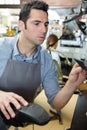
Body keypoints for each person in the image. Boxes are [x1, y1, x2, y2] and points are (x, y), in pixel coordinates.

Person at [0, 0, 87, 130]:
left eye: (46, 24)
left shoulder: (46, 60)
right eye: (37, 23)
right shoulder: (2, 47)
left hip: (16, 122)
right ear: (21, 25)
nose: (44, 30)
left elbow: (56, 103)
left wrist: (72, 84)